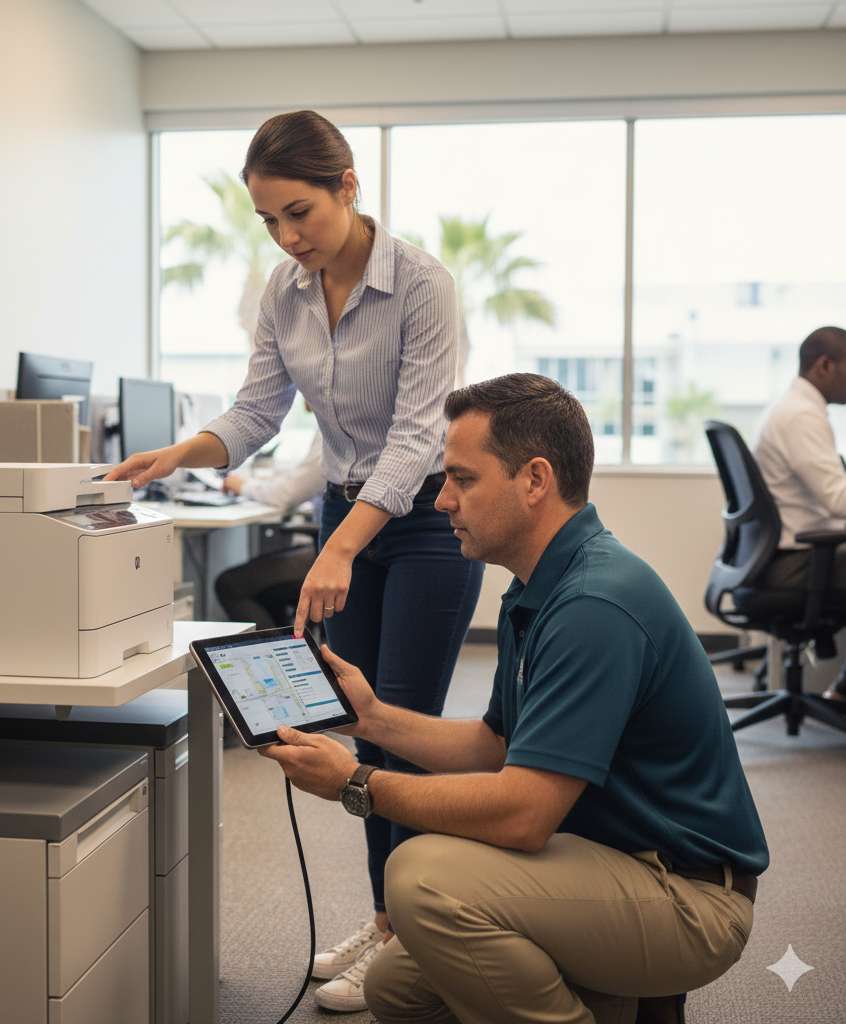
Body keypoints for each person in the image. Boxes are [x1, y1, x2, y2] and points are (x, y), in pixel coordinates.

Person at [105, 109, 484, 1010]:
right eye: (270, 220)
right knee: (357, 723)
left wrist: (341, 549)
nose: (287, 237)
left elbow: (414, 436)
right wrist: (180, 453)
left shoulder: (422, 284)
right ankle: (392, 920)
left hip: (428, 519)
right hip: (346, 509)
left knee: (407, 730)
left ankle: (412, 934)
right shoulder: (286, 291)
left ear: (349, 189)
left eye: (300, 213)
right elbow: (257, 412)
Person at [260, 373, 768, 1024]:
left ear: (534, 480)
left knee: (421, 878)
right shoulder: (538, 585)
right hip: (612, 858)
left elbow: (525, 814)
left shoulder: (593, 604)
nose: (441, 500)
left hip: (688, 897)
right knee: (396, 989)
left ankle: (630, 991)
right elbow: (494, 745)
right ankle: (618, 998)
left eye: (462, 479)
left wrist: (356, 782)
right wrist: (375, 719)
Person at [753, 325, 846, 704]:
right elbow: (839, 500)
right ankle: (842, 690)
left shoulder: (790, 406)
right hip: (795, 561)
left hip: (786, 553)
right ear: (824, 366)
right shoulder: (802, 416)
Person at [215, 430, 324, 630]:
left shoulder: (333, 424)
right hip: (324, 544)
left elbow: (290, 493)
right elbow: (304, 484)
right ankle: (284, 649)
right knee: (257, 568)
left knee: (230, 584)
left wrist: (243, 486)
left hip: (330, 554)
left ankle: (275, 655)